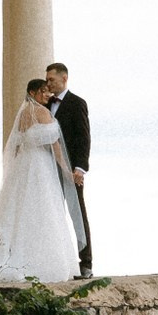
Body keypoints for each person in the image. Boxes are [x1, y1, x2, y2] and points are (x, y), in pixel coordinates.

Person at [0, 77, 87, 285]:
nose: (47, 95)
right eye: (43, 91)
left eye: (48, 91)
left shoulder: (22, 114)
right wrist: (67, 172)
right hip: (40, 166)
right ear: (33, 93)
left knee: (18, 208)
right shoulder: (43, 113)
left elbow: (17, 145)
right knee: (43, 209)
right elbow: (56, 146)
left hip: (24, 164)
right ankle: (43, 262)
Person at [45, 61, 92, 277]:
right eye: (47, 80)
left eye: (51, 79)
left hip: (71, 171)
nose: (48, 83)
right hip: (47, 169)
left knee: (78, 214)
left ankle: (86, 263)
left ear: (64, 79)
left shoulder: (77, 103)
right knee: (50, 214)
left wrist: (80, 168)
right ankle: (56, 263)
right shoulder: (44, 104)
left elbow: (84, 138)